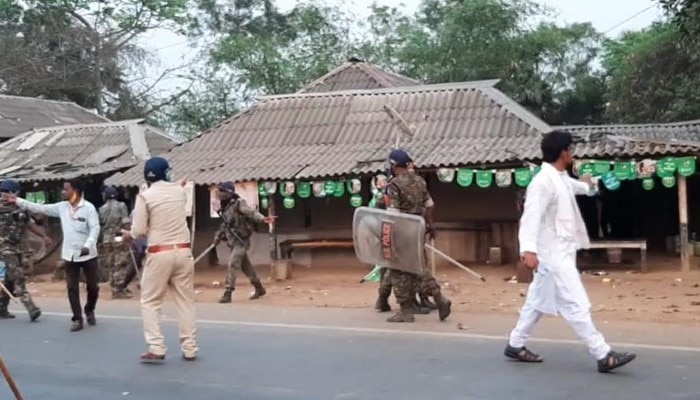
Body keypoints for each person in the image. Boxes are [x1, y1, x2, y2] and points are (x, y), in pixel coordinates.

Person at [505, 130, 636, 373]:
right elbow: (530, 217)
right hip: (551, 256)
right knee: (576, 303)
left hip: (560, 252)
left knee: (535, 302)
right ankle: (602, 353)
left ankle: (515, 343)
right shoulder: (542, 182)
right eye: (571, 150)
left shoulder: (559, 178)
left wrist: (594, 182)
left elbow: (578, 187)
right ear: (563, 152)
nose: (573, 154)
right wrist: (528, 250)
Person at [122, 156, 198, 363]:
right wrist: (178, 185)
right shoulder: (179, 192)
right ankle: (190, 348)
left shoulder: (145, 196)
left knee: (151, 301)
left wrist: (128, 234)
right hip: (183, 252)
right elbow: (174, 194)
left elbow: (137, 230)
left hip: (159, 253)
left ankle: (156, 346)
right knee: (185, 302)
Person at [3, 179, 100, 332]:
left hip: (88, 254)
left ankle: (89, 310)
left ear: (75, 191)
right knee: (71, 288)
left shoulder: (89, 208)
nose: (63, 192)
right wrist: (19, 201)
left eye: (66, 189)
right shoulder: (62, 207)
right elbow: (40, 207)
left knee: (93, 287)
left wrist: (88, 245)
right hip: (68, 255)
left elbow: (95, 229)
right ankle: (75, 318)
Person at [382, 148, 451, 323]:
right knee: (419, 267)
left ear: (393, 165)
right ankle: (439, 298)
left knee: (398, 270)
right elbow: (430, 205)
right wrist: (429, 224)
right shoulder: (420, 181)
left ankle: (406, 310)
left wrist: (390, 236)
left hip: (402, 232)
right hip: (418, 230)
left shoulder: (395, 185)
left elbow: (393, 213)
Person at [214, 181, 275, 304]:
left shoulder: (239, 203)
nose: (219, 194)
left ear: (229, 193)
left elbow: (251, 213)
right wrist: (218, 237)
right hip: (232, 241)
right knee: (246, 267)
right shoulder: (225, 207)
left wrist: (263, 219)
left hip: (241, 241)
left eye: (222, 191)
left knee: (233, 264)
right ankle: (259, 288)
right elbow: (225, 225)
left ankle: (228, 292)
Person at [0, 180, 48, 322]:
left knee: (10, 278)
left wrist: (44, 236)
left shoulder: (21, 209)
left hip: (17, 247)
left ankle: (1, 307)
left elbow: (30, 224)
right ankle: (31, 307)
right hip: (4, 247)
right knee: (18, 276)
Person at [98, 186, 132, 299]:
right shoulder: (121, 206)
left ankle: (114, 286)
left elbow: (100, 225)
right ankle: (118, 288)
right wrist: (128, 234)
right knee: (120, 262)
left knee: (111, 262)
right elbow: (125, 221)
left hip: (107, 238)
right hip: (118, 236)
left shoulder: (101, 209)